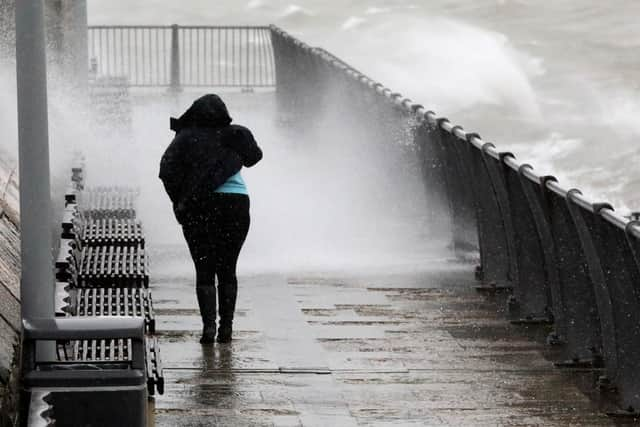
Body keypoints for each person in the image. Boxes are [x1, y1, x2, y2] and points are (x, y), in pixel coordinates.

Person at [159, 94, 262, 344]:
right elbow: (254, 156)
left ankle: (208, 329)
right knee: (228, 269)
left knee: (204, 271)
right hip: (236, 204)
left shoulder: (186, 138)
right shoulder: (235, 135)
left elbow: (166, 170)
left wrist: (181, 200)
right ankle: (226, 329)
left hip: (200, 208)